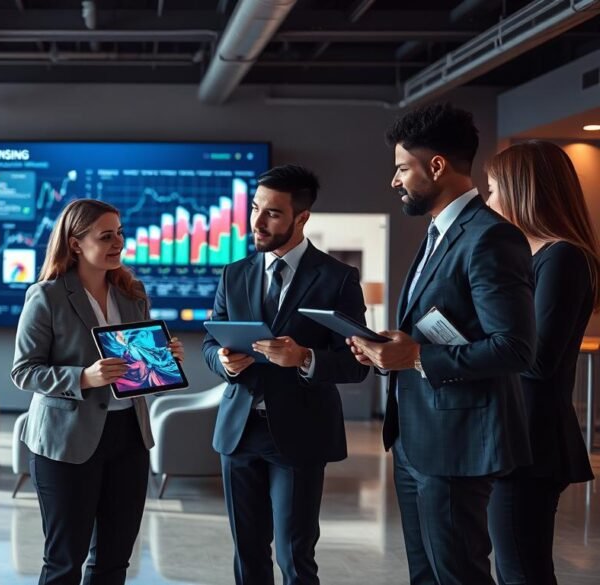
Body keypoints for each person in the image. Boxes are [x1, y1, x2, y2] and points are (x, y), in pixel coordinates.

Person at [349, 103, 535, 585]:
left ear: (436, 166)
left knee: (458, 574)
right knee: (426, 575)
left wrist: (416, 356)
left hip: (457, 444)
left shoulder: (490, 238)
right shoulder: (438, 233)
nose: (394, 181)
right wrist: (389, 350)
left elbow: (515, 348)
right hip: (417, 437)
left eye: (401, 168)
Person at [201, 164, 370, 585]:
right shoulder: (234, 273)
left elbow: (355, 362)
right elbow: (209, 344)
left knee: (295, 558)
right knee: (247, 555)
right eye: (255, 208)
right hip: (239, 432)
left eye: (272, 213)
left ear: (302, 217)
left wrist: (305, 358)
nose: (257, 221)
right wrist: (221, 361)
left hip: (300, 434)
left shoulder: (337, 278)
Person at [11, 199, 185, 585]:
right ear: (75, 243)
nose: (117, 243)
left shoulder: (132, 293)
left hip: (129, 439)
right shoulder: (47, 295)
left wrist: (163, 359)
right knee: (64, 563)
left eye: (120, 234)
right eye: (106, 236)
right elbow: (24, 372)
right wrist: (83, 378)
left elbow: (140, 369)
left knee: (114, 562)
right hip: (66, 443)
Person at [483, 140, 598, 585]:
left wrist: (474, 344)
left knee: (522, 571)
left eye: (493, 189)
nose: (488, 200)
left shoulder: (563, 258)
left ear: (521, 190)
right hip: (515, 434)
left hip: (532, 440)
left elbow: (536, 359)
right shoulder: (532, 257)